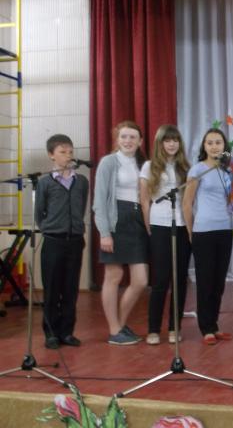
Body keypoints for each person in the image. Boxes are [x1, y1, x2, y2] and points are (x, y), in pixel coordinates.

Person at [93, 121, 149, 345]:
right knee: (114, 276)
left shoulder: (143, 163)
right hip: (116, 221)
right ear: (117, 139)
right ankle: (114, 329)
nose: (128, 141)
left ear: (140, 141)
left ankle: (120, 325)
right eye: (124, 136)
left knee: (141, 280)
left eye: (132, 137)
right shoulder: (108, 162)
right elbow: (99, 201)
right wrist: (104, 233)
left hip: (137, 221)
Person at [35, 134, 88, 349]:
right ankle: (51, 334)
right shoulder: (45, 182)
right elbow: (40, 213)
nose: (68, 156)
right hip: (53, 242)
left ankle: (67, 332)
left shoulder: (81, 181)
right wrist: (52, 227)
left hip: (75, 240)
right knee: (52, 289)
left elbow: (81, 207)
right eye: (62, 152)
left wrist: (74, 226)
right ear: (51, 155)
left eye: (70, 152)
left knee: (70, 289)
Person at [140, 124, 191, 345]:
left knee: (180, 279)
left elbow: (189, 199)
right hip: (159, 223)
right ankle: (153, 328)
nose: (171, 144)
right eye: (167, 140)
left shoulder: (185, 167)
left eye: (175, 140)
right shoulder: (149, 166)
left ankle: (174, 327)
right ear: (159, 143)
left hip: (182, 225)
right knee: (160, 279)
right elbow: (144, 200)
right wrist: (148, 227)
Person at [182, 128, 233, 345]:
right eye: (210, 143)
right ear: (204, 146)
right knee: (205, 281)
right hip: (203, 231)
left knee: (219, 282)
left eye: (218, 142)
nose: (214, 146)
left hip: (225, 230)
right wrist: (190, 231)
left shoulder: (227, 171)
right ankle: (206, 328)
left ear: (224, 146)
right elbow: (187, 203)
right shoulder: (197, 170)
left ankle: (214, 324)